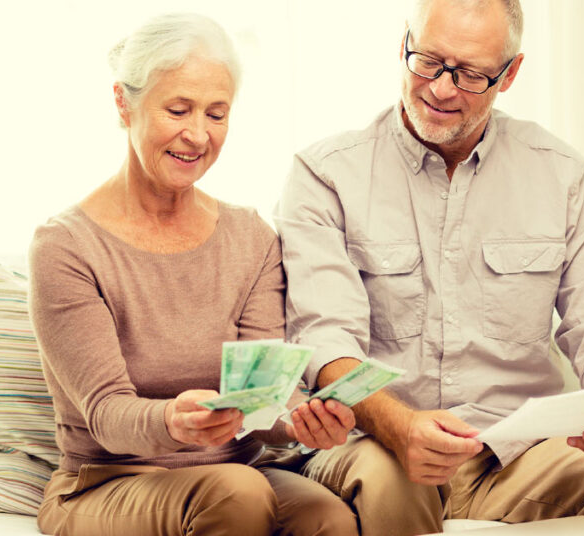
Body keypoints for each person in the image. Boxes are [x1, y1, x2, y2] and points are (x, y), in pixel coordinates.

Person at [275, 0, 584, 534]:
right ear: (403, 44)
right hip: (376, 448)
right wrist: (402, 428)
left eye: (470, 74)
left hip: (514, 454)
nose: (442, 89)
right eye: (427, 61)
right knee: (390, 481)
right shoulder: (324, 175)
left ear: (510, 73)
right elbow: (326, 342)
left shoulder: (562, 175)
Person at [28, 13, 357, 536]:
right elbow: (105, 414)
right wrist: (171, 422)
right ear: (123, 103)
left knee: (330, 517)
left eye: (217, 113)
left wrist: (299, 419)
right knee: (240, 493)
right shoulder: (66, 246)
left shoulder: (249, 236)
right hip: (106, 480)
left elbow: (261, 394)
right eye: (177, 109)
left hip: (233, 473)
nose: (198, 134)